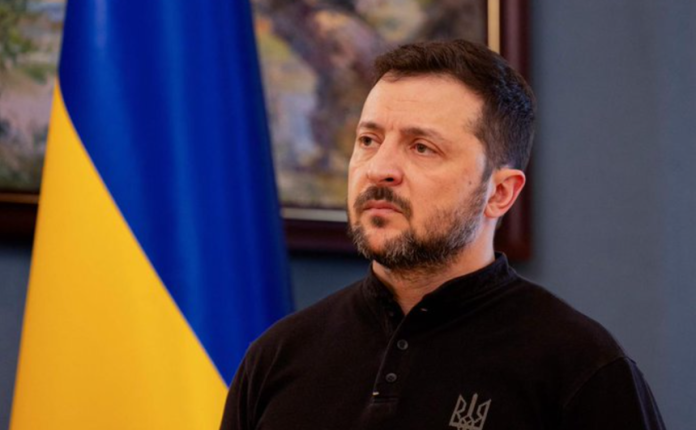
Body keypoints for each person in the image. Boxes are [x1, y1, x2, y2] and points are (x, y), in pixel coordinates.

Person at [220, 40, 665, 430]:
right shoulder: (277, 356)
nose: (379, 169)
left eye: (422, 147)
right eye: (369, 140)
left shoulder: (582, 370)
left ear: (500, 193)